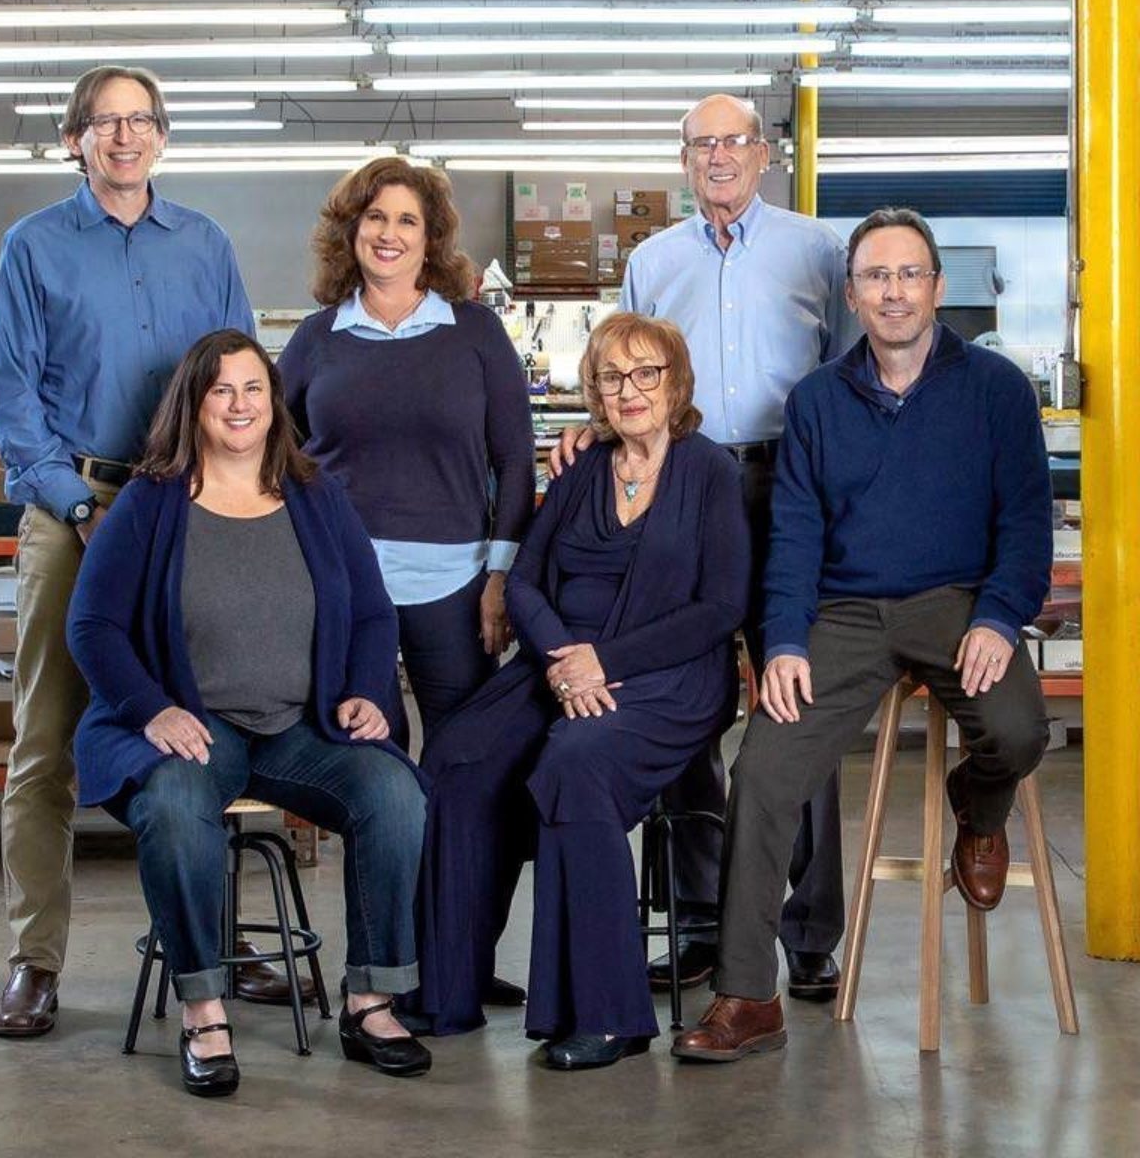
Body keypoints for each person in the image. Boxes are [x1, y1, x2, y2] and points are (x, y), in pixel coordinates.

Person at [674, 208, 1052, 1062]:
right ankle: (745, 995)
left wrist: (998, 615)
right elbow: (796, 534)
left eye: (908, 274)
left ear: (937, 287)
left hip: (957, 602)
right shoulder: (816, 401)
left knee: (1022, 729)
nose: (893, 292)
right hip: (844, 614)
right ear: (852, 294)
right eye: (875, 277)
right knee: (764, 769)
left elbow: (1026, 523)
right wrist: (784, 644)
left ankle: (978, 807)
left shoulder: (996, 390)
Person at [0, 65, 271, 1039]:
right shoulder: (33, 247)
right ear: (74, 140)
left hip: (191, 511)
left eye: (141, 119)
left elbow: (241, 380)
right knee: (44, 744)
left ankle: (208, 951)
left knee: (205, 725)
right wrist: (76, 505)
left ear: (162, 136)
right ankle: (34, 960)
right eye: (105, 122)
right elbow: (12, 405)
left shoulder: (207, 245)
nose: (125, 136)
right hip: (76, 511)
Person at [66, 330, 432, 1094]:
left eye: (254, 389)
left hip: (304, 728)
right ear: (194, 405)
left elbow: (370, 611)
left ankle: (371, 1001)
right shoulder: (151, 501)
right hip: (200, 728)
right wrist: (151, 709)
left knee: (394, 792)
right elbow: (92, 625)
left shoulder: (316, 494)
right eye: (222, 390)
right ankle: (204, 1008)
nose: (240, 405)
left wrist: (367, 690)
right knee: (170, 805)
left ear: (275, 403)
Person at [551, 93, 859, 1000]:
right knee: (674, 697)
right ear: (683, 161)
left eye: (734, 142)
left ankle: (807, 930)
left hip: (783, 487)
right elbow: (624, 372)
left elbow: (846, 382)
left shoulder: (816, 248)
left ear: (763, 154)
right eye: (700, 145)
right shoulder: (653, 261)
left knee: (795, 699)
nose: (718, 158)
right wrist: (589, 434)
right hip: (675, 488)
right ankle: (696, 923)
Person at [418, 314, 750, 1071]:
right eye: (611, 376)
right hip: (560, 660)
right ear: (593, 391)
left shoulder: (711, 472)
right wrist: (564, 657)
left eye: (646, 374)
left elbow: (721, 606)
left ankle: (608, 1011)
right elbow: (528, 580)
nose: (629, 391)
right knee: (459, 754)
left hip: (668, 674)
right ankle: (450, 986)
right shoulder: (579, 470)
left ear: (676, 383)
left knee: (578, 759)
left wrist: (606, 661)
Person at [279, 156, 535, 753]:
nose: (388, 234)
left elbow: (516, 461)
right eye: (374, 217)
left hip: (456, 582)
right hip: (344, 578)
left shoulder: (475, 333)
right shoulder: (317, 338)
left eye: (406, 221)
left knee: (464, 756)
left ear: (431, 238)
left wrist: (500, 575)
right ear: (352, 230)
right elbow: (273, 452)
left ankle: (452, 854)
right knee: (371, 758)